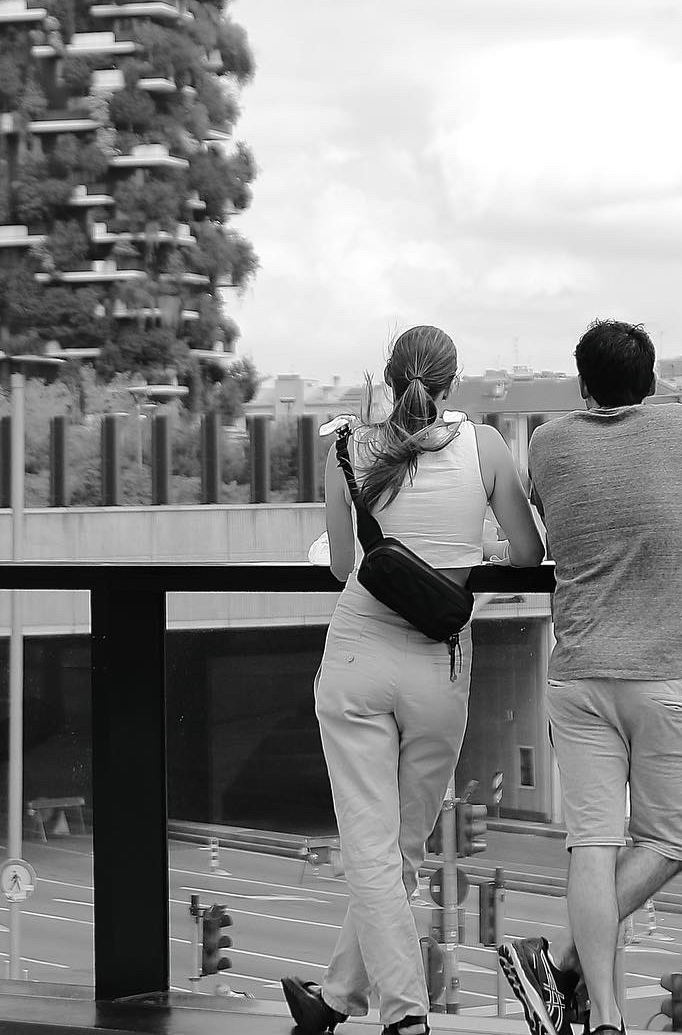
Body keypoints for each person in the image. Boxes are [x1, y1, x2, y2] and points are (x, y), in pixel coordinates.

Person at [282, 324, 544, 1035]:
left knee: (370, 847)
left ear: (391, 380)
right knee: (402, 848)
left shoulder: (349, 449)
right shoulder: (486, 447)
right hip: (442, 663)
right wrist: (468, 548)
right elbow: (526, 551)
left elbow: (342, 565)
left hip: (360, 657)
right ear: (452, 383)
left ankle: (400, 1015)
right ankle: (338, 1000)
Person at [499, 319, 682, 1035]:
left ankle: (603, 1015)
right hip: (663, 672)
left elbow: (552, 523)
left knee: (591, 848)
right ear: (653, 381)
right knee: (669, 842)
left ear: (582, 385)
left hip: (577, 677)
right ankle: (559, 960)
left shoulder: (546, 442)